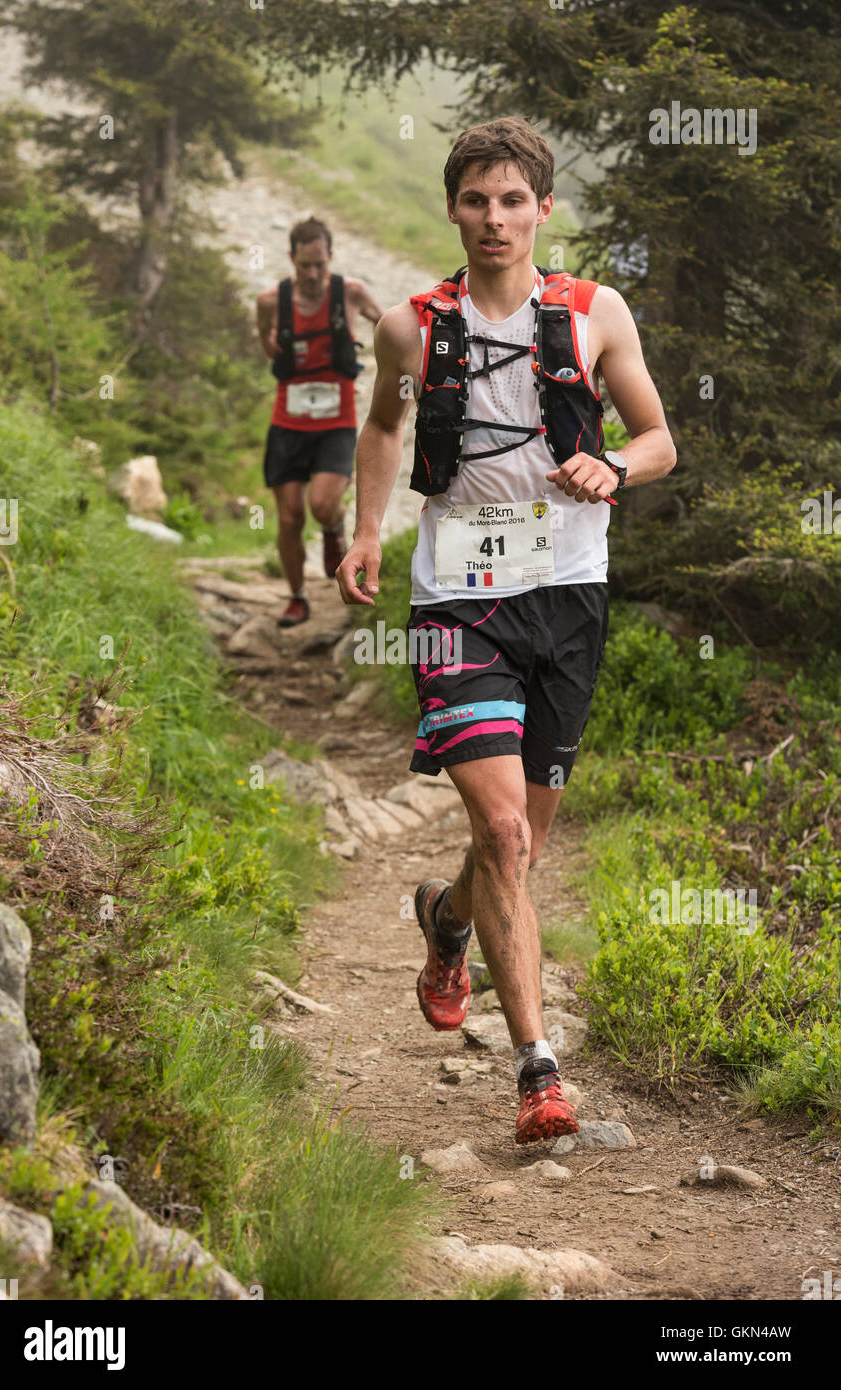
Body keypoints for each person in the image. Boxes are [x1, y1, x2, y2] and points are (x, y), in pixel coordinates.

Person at [336, 117, 676, 1144]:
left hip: (568, 593)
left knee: (515, 853)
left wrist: (615, 466)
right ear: (453, 207)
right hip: (456, 601)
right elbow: (388, 426)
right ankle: (539, 1068)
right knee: (507, 832)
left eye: (513, 200)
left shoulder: (592, 314)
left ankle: (448, 922)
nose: (495, 219)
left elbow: (659, 435)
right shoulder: (411, 327)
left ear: (544, 209)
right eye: (476, 200)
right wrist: (363, 531)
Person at [257, 217, 384, 626]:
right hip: (287, 423)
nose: (312, 274)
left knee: (322, 504)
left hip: (336, 422)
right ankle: (296, 598)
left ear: (330, 257)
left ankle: (333, 530)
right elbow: (267, 344)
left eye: (319, 265)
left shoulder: (351, 293)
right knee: (290, 515)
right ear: (291, 258)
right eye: (304, 265)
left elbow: (387, 327)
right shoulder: (269, 302)